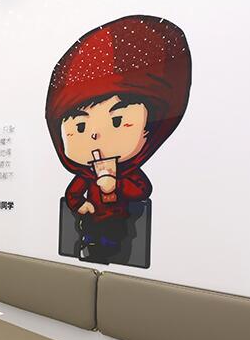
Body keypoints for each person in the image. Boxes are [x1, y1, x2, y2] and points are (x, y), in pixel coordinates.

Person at [45, 15, 192, 265]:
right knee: (91, 234)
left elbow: (142, 189)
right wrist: (80, 205)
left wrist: (113, 186)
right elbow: (73, 193)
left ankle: (104, 248)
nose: (95, 136)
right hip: (91, 219)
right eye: (80, 126)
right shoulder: (86, 175)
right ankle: (91, 245)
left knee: (114, 236)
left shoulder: (126, 174)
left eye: (116, 121)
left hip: (119, 222)